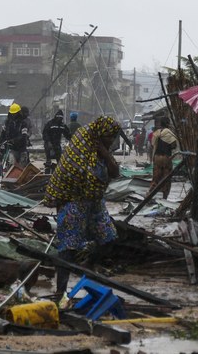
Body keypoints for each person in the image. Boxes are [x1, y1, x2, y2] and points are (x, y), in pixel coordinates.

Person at [44, 116, 121, 298]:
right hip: (73, 202)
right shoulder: (81, 146)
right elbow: (76, 176)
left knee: (109, 238)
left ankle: (88, 267)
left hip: (94, 202)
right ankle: (60, 290)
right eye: (109, 136)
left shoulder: (100, 150)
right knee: (67, 247)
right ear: (100, 134)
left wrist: (104, 151)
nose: (112, 140)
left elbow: (114, 172)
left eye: (113, 136)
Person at [148, 116, 178, 199]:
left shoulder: (156, 133)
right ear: (168, 123)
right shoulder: (168, 133)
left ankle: (149, 196)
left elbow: (152, 145)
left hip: (157, 157)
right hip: (166, 158)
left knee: (155, 178)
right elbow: (174, 145)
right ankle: (164, 198)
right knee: (166, 179)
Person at [0, 103, 30, 168]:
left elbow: (24, 135)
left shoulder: (23, 123)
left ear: (18, 113)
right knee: (11, 166)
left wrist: (14, 140)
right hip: (11, 148)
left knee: (22, 167)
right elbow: (3, 134)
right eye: (12, 114)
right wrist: (0, 145)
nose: (13, 115)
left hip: (22, 148)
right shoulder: (7, 123)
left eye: (15, 114)